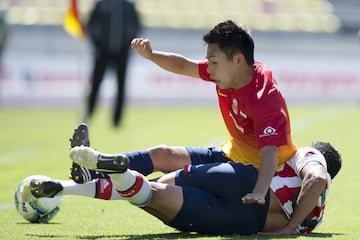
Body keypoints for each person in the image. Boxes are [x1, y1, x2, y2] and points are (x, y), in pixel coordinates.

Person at [72, 20, 297, 205]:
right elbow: (183, 66)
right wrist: (151, 55)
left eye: (213, 61)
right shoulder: (229, 71)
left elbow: (270, 152)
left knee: (163, 185)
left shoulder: (263, 96)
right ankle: (90, 170)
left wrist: (259, 192)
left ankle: (81, 184)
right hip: (230, 153)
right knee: (163, 154)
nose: (208, 69)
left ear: (238, 60)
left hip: (252, 172)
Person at [23, 139, 341, 235]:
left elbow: (315, 177)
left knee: (154, 189)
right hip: (240, 220)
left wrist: (290, 228)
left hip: (241, 182)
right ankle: (79, 184)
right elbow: (314, 186)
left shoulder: (310, 158)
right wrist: (292, 227)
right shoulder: (317, 219)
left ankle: (71, 186)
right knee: (152, 196)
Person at [85, 0, 141, 126]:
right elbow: (91, 25)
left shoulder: (128, 6)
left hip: (122, 53)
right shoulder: (100, 5)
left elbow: (137, 26)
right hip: (102, 52)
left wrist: (128, 44)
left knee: (121, 86)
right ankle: (88, 114)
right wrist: (97, 44)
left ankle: (117, 119)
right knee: (96, 84)